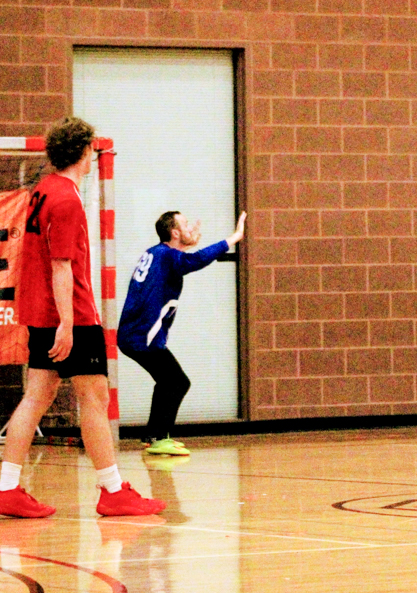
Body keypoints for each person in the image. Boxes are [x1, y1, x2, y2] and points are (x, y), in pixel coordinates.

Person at [0, 116, 165, 518]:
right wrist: (69, 324)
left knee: (37, 395)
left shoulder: (42, 190)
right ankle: (112, 490)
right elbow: (61, 265)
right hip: (67, 313)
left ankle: (6, 487)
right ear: (85, 150)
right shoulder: (68, 199)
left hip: (39, 310)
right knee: (94, 397)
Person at [117, 210, 246, 456]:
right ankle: (158, 438)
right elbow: (195, 261)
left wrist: (185, 248)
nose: (190, 228)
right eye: (185, 225)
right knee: (177, 382)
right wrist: (232, 239)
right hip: (142, 336)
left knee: (167, 381)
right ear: (175, 232)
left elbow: (178, 263)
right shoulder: (167, 256)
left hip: (134, 334)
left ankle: (155, 436)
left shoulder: (157, 253)